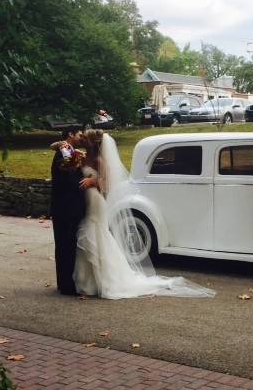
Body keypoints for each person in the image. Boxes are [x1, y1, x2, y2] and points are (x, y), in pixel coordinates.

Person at [73, 129, 215, 299]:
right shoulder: (82, 156)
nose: (82, 140)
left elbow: (107, 182)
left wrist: (93, 181)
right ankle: (87, 281)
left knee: (94, 233)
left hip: (95, 200)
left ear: (93, 143)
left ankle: (102, 280)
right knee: (90, 234)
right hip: (85, 199)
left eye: (86, 138)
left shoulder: (98, 160)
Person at [49, 126, 96, 296]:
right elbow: (69, 180)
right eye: (79, 134)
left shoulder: (67, 150)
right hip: (66, 207)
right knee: (65, 245)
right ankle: (66, 285)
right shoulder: (64, 151)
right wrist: (86, 183)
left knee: (65, 245)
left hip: (65, 206)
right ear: (70, 134)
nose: (81, 137)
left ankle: (65, 283)